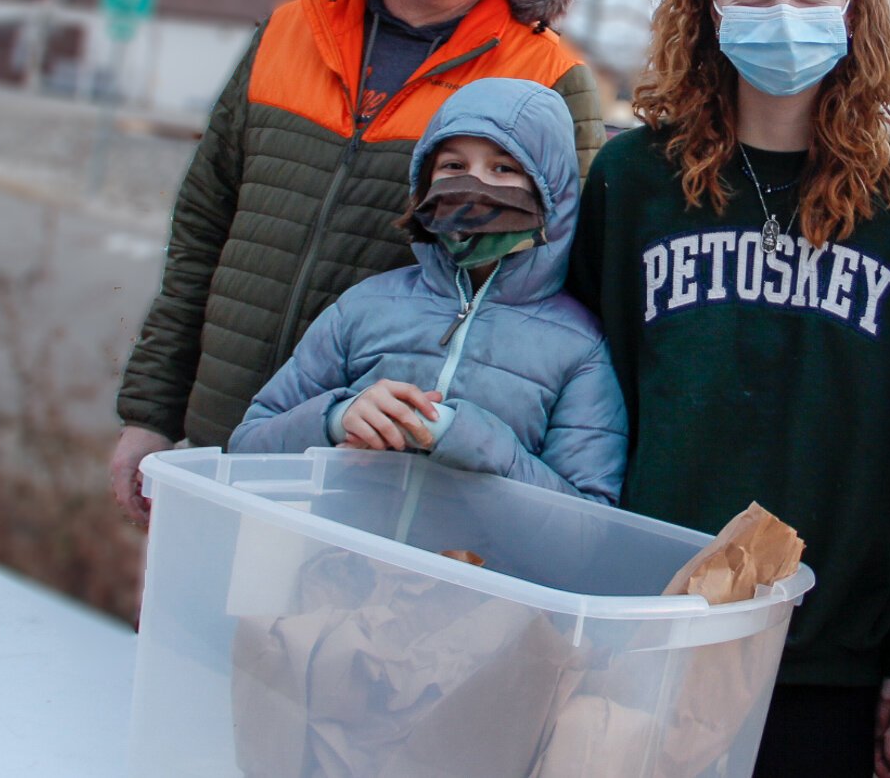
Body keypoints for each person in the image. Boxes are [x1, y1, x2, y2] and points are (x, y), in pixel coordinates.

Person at [111, 0, 606, 524]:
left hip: (387, 490)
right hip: (224, 447)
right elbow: (199, 237)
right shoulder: (289, 33)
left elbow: (558, 285)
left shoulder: (548, 81)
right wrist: (150, 411)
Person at [568, 0, 890, 775]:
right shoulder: (633, 181)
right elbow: (584, 393)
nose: (782, 12)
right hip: (646, 625)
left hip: (826, 650)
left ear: (854, 7)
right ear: (708, 8)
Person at [227, 77, 626, 503]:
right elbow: (247, 448)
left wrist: (471, 440)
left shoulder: (581, 348)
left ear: (553, 192)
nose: (474, 187)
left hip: (471, 568)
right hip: (336, 564)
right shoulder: (363, 308)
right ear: (424, 182)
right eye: (453, 167)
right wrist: (336, 418)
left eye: (503, 169)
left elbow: (586, 527)